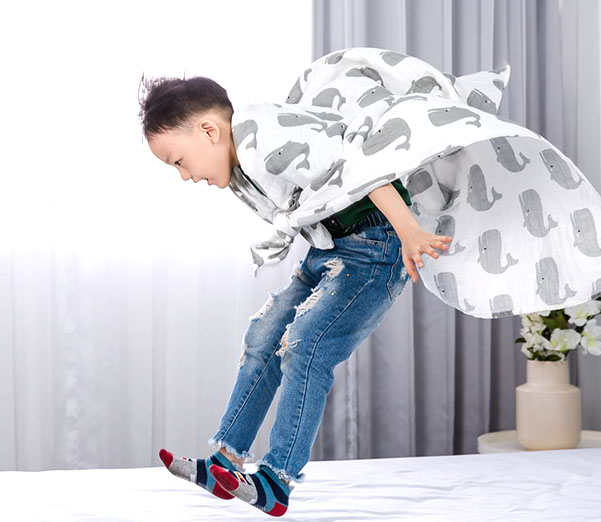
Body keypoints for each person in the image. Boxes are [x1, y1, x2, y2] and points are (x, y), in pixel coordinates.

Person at [138, 71, 452, 516]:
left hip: (375, 248)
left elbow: (360, 161)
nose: (185, 176)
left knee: (306, 347)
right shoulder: (240, 163)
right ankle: (226, 461)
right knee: (263, 337)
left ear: (209, 131)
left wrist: (408, 230)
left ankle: (277, 479)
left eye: (179, 161)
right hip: (331, 248)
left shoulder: (265, 136)